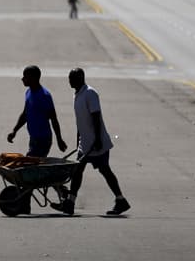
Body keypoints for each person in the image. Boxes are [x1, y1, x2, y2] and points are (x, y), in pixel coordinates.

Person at [52, 68, 130, 216]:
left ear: (80, 78)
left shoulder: (90, 93)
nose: (69, 81)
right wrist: (78, 141)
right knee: (77, 171)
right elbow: (80, 121)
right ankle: (70, 203)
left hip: (96, 143)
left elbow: (96, 116)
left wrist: (98, 139)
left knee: (105, 171)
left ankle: (120, 200)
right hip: (85, 143)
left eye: (72, 78)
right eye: (69, 78)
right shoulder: (77, 95)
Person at [7, 65, 68, 214]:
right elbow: (25, 114)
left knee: (29, 171)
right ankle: (60, 189)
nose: (22, 79)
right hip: (33, 138)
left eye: (25, 76)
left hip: (43, 139)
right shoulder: (28, 92)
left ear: (34, 78)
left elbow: (53, 118)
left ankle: (24, 205)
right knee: (34, 171)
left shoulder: (44, 96)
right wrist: (14, 130)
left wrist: (59, 139)